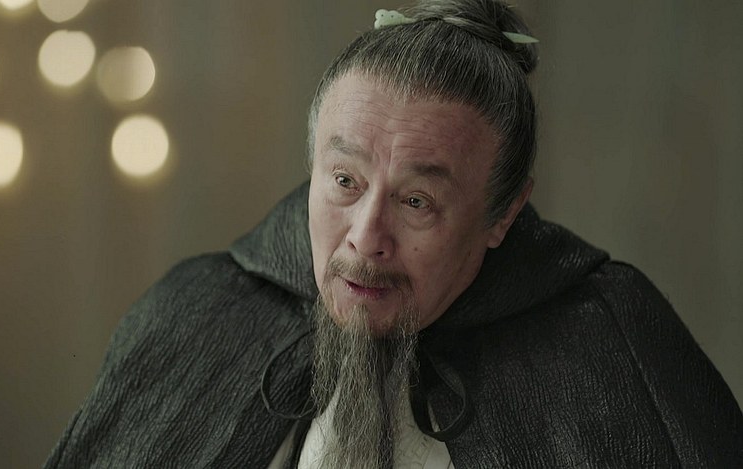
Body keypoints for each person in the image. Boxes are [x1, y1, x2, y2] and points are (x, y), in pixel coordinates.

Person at [45, 0, 743, 467]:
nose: (366, 238)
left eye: (416, 201)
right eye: (344, 181)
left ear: (503, 214)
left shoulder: (609, 336)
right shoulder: (196, 310)